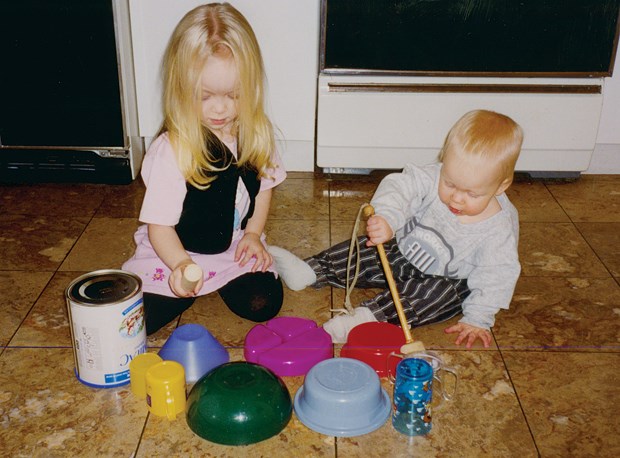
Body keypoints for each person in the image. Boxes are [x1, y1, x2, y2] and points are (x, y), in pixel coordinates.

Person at [270, 110, 523, 348]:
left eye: (471, 193)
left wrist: (478, 318)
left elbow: (497, 275)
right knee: (367, 249)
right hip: (405, 249)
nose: (456, 198)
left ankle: (367, 318)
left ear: (501, 186)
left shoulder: (498, 230)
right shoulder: (433, 176)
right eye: (450, 183)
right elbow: (401, 187)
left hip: (448, 279)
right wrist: (389, 219)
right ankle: (311, 271)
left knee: (433, 298)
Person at [122, 3, 286, 335]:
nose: (221, 108)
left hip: (232, 244)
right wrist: (181, 265)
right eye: (205, 96)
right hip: (173, 249)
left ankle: (216, 275)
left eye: (234, 94)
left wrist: (253, 235)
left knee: (263, 303)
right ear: (181, 88)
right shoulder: (172, 150)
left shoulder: (256, 133)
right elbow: (160, 227)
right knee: (138, 322)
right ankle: (180, 286)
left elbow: (264, 188)